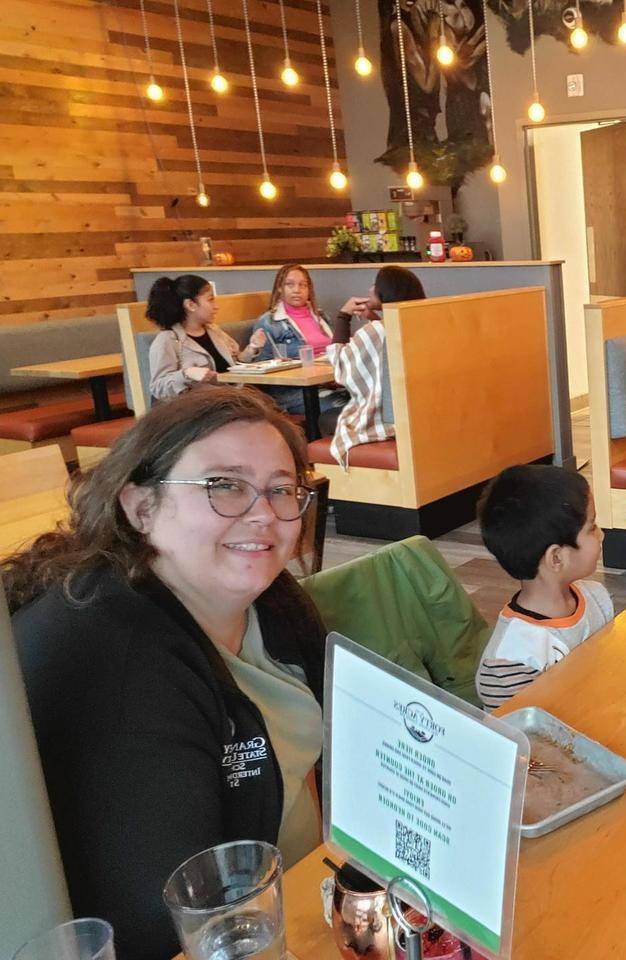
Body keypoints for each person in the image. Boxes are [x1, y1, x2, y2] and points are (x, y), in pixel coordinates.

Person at [7, 388, 326, 960]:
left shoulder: (271, 601)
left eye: (282, 489)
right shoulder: (120, 673)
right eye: (224, 485)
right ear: (140, 505)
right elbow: (162, 923)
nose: (263, 513)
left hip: (306, 894)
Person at [474, 464, 613, 709]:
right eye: (592, 528)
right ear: (556, 558)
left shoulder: (595, 596)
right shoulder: (510, 662)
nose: (601, 535)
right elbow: (525, 741)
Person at [327, 265, 425, 469]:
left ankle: (342, 488)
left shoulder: (376, 330)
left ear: (385, 291)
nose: (370, 288)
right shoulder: (416, 322)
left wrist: (343, 316)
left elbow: (340, 366)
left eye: (375, 284)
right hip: (416, 418)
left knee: (324, 418)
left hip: (385, 424)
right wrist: (375, 319)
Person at [146, 274, 267, 403]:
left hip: (233, 400)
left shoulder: (214, 330)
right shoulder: (167, 340)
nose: (216, 306)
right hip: (202, 411)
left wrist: (252, 348)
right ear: (190, 305)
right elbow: (158, 387)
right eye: (210, 300)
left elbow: (236, 364)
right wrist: (186, 374)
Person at [250, 263, 348, 417]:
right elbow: (262, 368)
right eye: (290, 285)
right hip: (295, 392)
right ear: (280, 288)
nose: (297, 290)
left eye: (303, 285)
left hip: (334, 383)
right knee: (345, 407)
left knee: (368, 399)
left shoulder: (321, 316)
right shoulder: (269, 322)